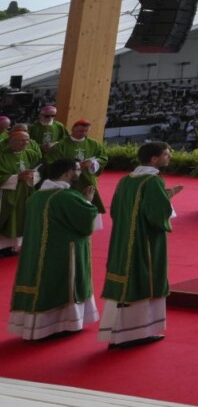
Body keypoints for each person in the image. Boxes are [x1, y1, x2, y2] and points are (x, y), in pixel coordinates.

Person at [6, 158, 104, 339]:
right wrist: (88, 202)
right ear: (67, 172)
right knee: (61, 287)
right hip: (61, 253)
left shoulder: (35, 197)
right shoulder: (66, 197)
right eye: (77, 169)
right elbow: (85, 222)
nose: (79, 172)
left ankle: (39, 327)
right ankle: (64, 324)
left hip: (36, 253)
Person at [99, 139, 181, 348]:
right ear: (154, 159)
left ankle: (118, 333)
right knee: (143, 279)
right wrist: (167, 200)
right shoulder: (153, 182)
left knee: (125, 280)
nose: (169, 157)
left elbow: (115, 210)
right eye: (166, 154)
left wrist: (165, 196)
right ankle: (137, 333)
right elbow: (157, 215)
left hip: (123, 239)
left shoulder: (125, 180)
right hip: (145, 242)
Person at [0, 125, 38, 256]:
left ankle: (14, 246)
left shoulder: (31, 154)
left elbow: (39, 171)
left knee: (21, 218)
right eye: (21, 141)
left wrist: (32, 176)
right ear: (12, 141)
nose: (25, 143)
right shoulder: (2, 156)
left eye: (27, 140)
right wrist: (17, 177)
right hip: (6, 194)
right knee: (7, 219)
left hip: (25, 192)